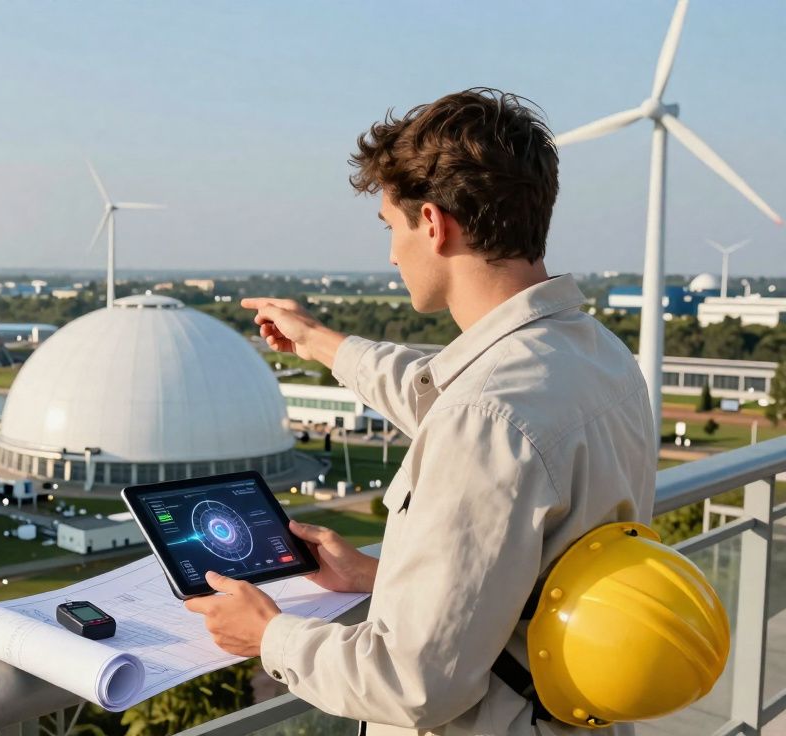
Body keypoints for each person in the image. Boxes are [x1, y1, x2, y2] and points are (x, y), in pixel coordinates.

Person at [183, 88, 656, 735]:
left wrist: (269, 636)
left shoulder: (486, 417)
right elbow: (530, 575)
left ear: (433, 224)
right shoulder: (599, 356)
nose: (390, 254)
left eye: (391, 227)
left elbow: (415, 684)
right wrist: (384, 578)